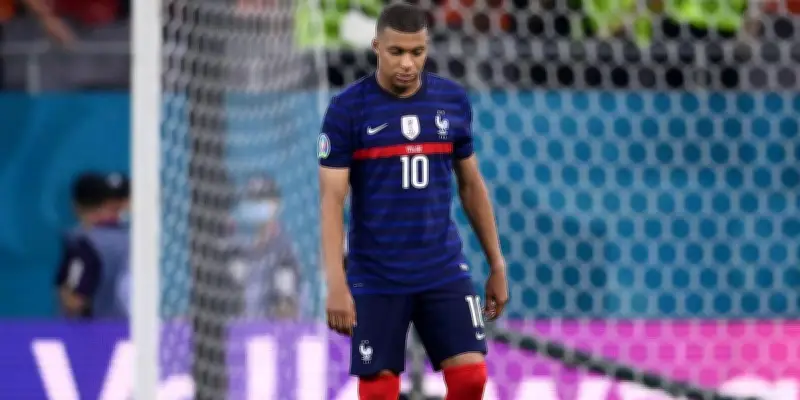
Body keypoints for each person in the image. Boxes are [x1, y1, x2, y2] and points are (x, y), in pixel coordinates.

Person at [318, 4, 509, 400]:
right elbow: (332, 200)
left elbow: (471, 185)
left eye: (417, 52)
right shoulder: (347, 110)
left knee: (471, 379)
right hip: (376, 273)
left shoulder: (451, 101)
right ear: (377, 47)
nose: (407, 63)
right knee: (378, 393)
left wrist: (497, 264)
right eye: (396, 52)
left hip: (441, 267)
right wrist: (336, 283)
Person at [54, 172, 130, 319]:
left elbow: (74, 301)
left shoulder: (84, 244)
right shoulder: (138, 239)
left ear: (76, 206)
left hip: (98, 329)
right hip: (137, 328)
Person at [228, 175, 302, 319]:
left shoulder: (285, 249)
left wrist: (284, 304)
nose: (257, 206)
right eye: (253, 200)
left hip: (270, 329)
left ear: (277, 204)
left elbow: (289, 311)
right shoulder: (233, 245)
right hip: (234, 327)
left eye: (262, 200)